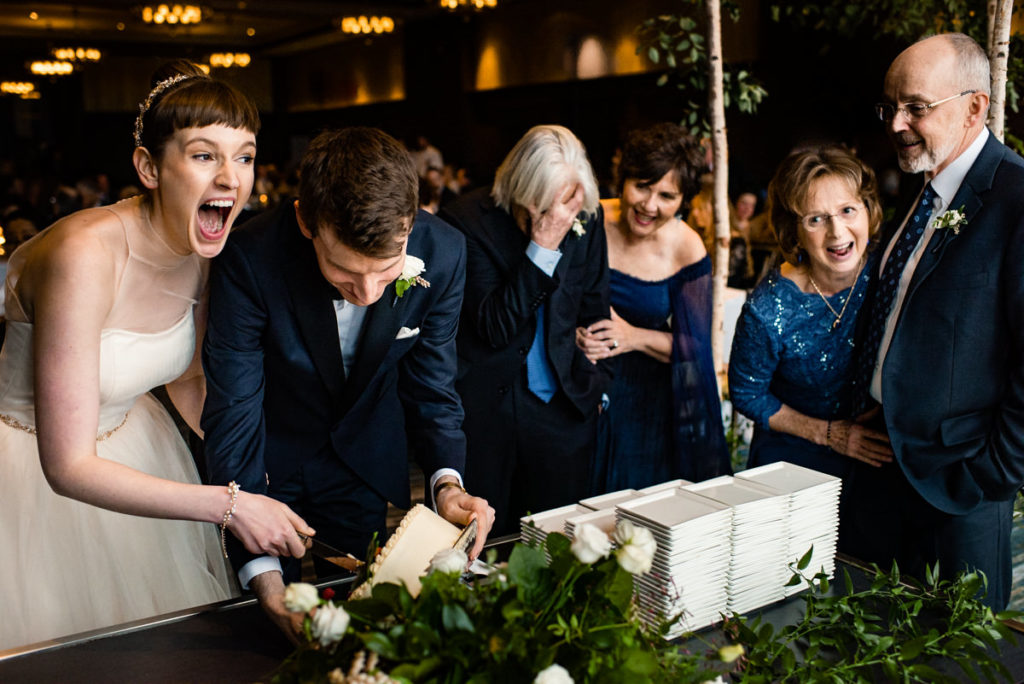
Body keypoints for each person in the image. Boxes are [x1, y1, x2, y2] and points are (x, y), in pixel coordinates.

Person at [0, 61, 312, 651]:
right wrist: (229, 505)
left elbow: (194, 385)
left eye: (244, 156)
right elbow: (65, 466)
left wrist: (259, 481)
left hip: (138, 452)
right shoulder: (84, 254)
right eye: (203, 156)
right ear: (148, 167)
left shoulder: (207, 253)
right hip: (27, 473)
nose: (230, 178)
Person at [201, 126, 494, 638]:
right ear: (305, 222)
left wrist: (447, 485)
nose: (367, 293)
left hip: (362, 456)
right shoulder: (249, 259)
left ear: (409, 222)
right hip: (266, 458)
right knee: (270, 627)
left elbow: (433, 385)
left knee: (367, 615)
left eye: (386, 273)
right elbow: (234, 406)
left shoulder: (444, 253)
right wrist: (265, 583)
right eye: (344, 272)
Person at [848, 33, 1024, 610]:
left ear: (975, 105)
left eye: (916, 108)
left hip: (960, 492)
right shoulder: (921, 195)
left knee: (959, 668)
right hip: (882, 470)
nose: (896, 124)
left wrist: (989, 475)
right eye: (890, 107)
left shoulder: (1017, 197)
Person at [439, 125, 611, 535]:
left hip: (565, 409)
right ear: (519, 188)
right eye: (546, 207)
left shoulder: (585, 213)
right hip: (489, 415)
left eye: (568, 203)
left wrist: (599, 383)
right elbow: (495, 326)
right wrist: (543, 247)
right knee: (486, 547)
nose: (562, 217)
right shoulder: (464, 222)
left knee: (561, 547)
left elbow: (593, 302)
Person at [574, 123, 729, 491]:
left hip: (646, 408)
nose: (649, 205)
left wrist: (632, 337)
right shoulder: (589, 220)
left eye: (667, 195)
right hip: (579, 392)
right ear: (622, 179)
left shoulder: (686, 248)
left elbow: (695, 348)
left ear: (682, 201)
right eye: (641, 186)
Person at [729, 146, 893, 484]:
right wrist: (829, 434)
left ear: (868, 211)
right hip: (794, 461)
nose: (837, 233)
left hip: (878, 458)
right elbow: (747, 393)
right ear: (795, 231)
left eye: (848, 210)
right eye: (816, 219)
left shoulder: (890, 273)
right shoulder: (768, 308)